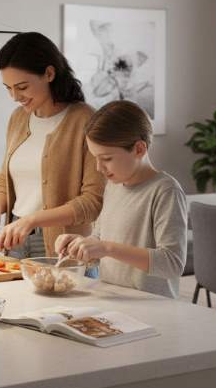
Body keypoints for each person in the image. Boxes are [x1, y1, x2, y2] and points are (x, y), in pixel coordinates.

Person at [0, 32, 104, 258]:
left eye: (22, 87)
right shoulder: (18, 118)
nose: (15, 96)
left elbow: (93, 201)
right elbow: (5, 179)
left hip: (62, 246)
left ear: (49, 73)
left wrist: (33, 219)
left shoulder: (85, 121)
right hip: (14, 237)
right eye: (8, 88)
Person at [55, 100, 187, 298]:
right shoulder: (114, 185)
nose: (99, 168)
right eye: (95, 158)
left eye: (107, 159)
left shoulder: (165, 191)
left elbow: (172, 263)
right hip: (114, 299)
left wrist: (107, 248)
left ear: (139, 149)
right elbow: (101, 238)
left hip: (152, 307)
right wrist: (82, 243)